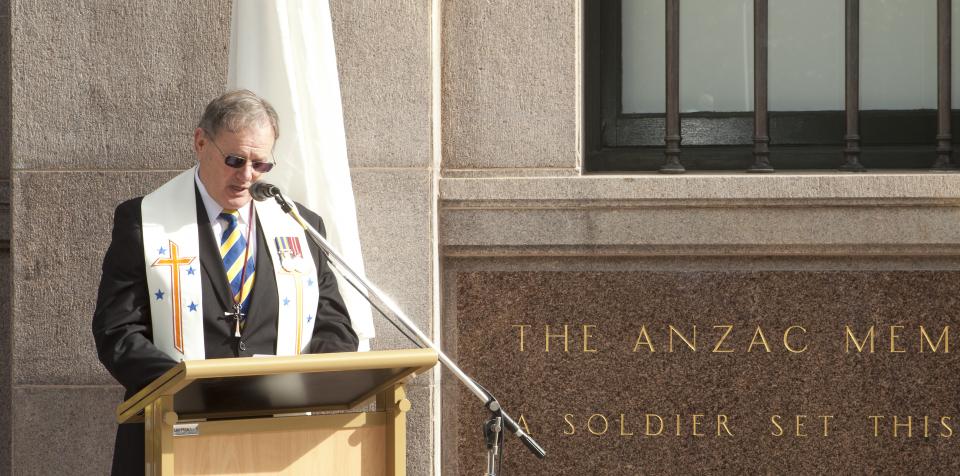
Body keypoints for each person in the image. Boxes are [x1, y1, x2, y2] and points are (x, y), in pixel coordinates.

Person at [92, 90, 359, 475]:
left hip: (279, 439)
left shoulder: (300, 227)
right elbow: (116, 332)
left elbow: (334, 328)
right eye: (235, 160)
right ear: (201, 142)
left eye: (261, 164)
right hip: (173, 432)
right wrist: (192, 388)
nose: (247, 175)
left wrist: (302, 384)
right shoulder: (145, 222)